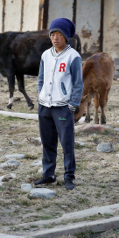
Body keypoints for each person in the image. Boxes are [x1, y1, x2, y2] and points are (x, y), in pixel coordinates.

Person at [34, 18, 83, 190]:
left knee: (67, 143)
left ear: (66, 36)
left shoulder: (73, 56)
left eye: (59, 34)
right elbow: (41, 78)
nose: (55, 38)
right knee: (47, 142)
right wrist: (41, 96)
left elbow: (78, 84)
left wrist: (72, 105)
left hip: (62, 107)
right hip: (45, 106)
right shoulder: (46, 55)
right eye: (52, 34)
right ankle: (48, 175)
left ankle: (69, 176)